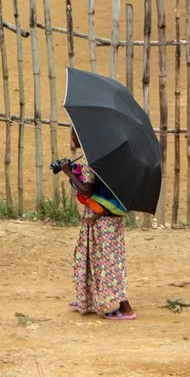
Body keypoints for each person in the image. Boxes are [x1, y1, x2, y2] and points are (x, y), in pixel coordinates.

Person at [60, 128, 134, 320]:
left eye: (74, 134)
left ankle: (125, 308)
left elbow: (87, 191)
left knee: (107, 261)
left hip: (101, 219)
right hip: (110, 215)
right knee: (94, 255)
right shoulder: (104, 156)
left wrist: (70, 173)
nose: (72, 138)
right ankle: (87, 298)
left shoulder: (90, 160)